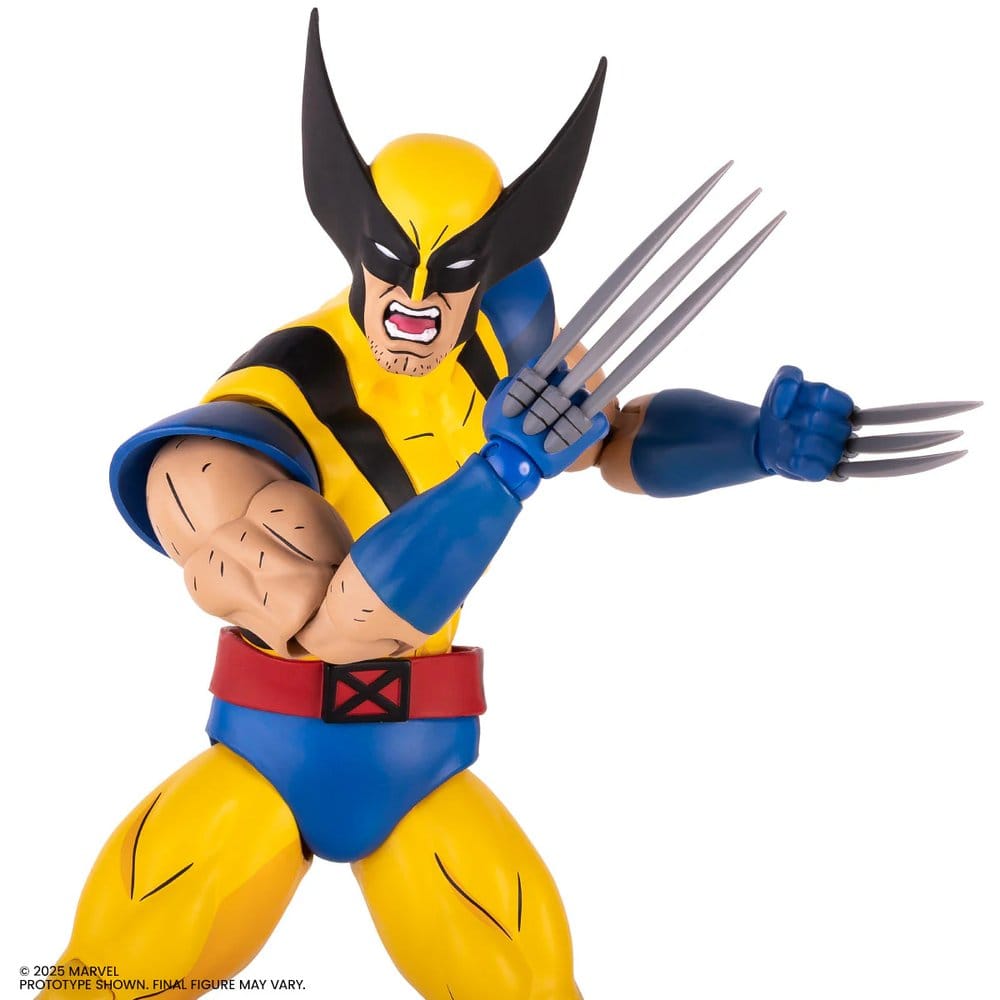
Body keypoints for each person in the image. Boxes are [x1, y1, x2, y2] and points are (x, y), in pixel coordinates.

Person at [47, 11, 977, 999]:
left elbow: (610, 438)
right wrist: (499, 478)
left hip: (420, 758)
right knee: (106, 979)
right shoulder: (246, 422)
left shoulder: (498, 343)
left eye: (449, 270)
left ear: (488, 264)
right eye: (393, 260)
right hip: (263, 758)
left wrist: (751, 441)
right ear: (353, 239)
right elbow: (338, 627)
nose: (415, 300)